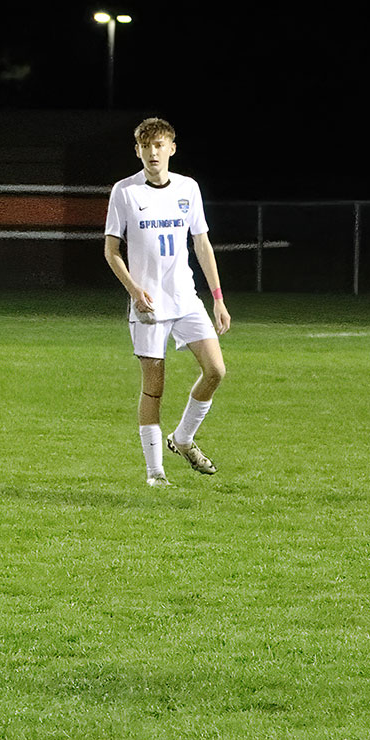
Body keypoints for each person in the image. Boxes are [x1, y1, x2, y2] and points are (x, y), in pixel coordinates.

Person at [102, 116, 230, 487]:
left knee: (216, 371)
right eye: (145, 146)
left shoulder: (188, 188)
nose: (152, 152)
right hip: (149, 308)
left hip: (186, 299)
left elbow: (202, 245)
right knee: (153, 388)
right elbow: (111, 251)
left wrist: (218, 299)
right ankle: (155, 473)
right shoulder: (125, 192)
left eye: (159, 145)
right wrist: (133, 289)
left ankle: (184, 438)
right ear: (137, 151)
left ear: (172, 148)